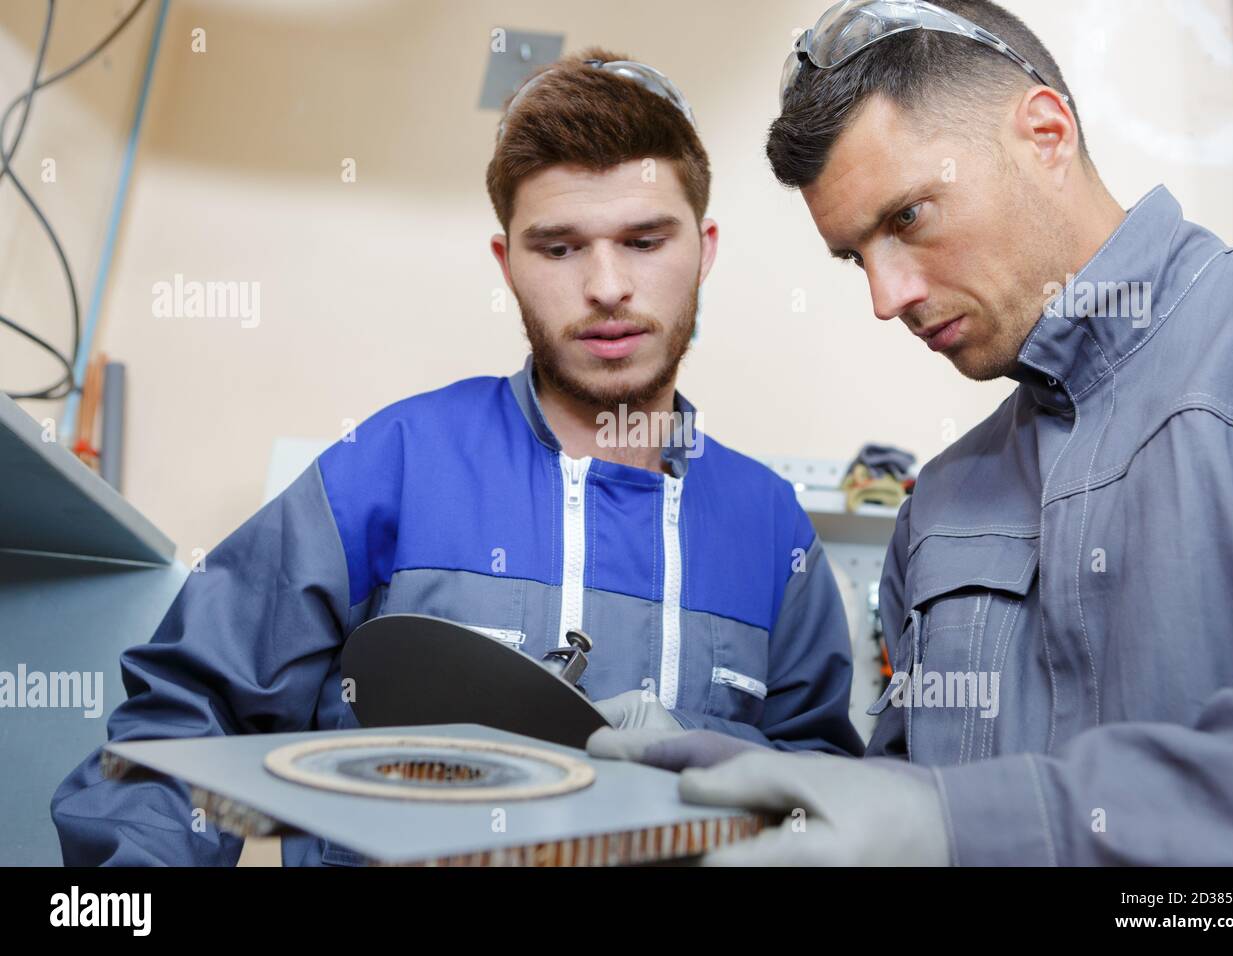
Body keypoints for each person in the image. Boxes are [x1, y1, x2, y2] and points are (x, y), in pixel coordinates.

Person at [51, 49, 864, 867]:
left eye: (645, 239)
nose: (608, 285)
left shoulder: (770, 529)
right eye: (559, 248)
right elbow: (179, 729)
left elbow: (826, 792)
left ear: (706, 247)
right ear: (505, 262)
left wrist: (696, 744)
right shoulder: (392, 465)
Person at [590, 0, 1233, 866]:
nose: (885, 299)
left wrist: (979, 828)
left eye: (908, 219)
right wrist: (726, 780)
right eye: (855, 257)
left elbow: (951, 824)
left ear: (1044, 133)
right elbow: (910, 801)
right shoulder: (944, 502)